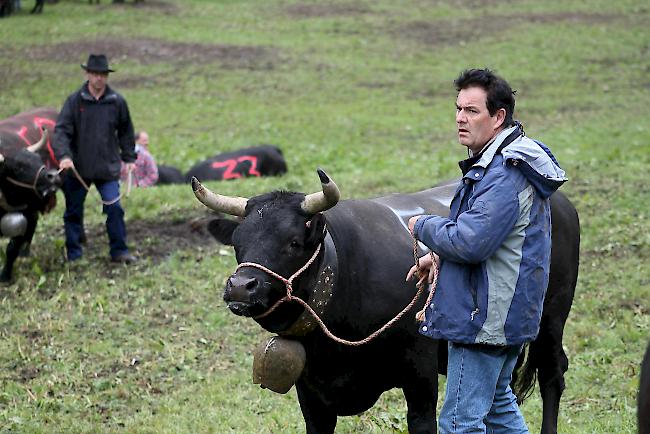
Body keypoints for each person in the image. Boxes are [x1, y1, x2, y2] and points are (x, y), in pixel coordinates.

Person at [405, 68, 567, 433]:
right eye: (458, 109)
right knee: (497, 409)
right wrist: (440, 257)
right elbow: (496, 239)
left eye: (472, 111)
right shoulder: (506, 160)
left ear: (498, 118)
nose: (461, 118)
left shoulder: (504, 173)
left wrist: (423, 226)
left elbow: (471, 241)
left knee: (460, 422)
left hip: (485, 318)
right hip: (506, 313)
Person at [53, 53, 137, 264]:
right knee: (73, 211)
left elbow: (126, 132)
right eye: (95, 74)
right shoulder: (74, 101)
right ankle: (74, 254)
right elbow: (61, 130)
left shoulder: (116, 101)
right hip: (78, 168)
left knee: (115, 208)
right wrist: (64, 156)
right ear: (87, 74)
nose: (99, 78)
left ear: (107, 76)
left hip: (106, 167)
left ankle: (119, 250)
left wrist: (129, 159)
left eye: (102, 74)